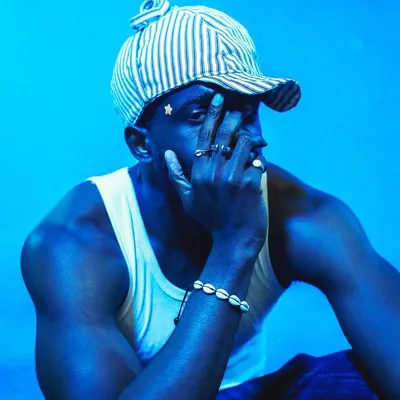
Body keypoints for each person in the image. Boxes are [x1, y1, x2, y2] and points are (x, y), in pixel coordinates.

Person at [21, 0, 400, 399]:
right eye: (201, 116)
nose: (238, 138)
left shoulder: (301, 215)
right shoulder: (74, 244)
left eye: (246, 112)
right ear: (142, 144)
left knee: (359, 379)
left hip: (251, 393)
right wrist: (233, 246)